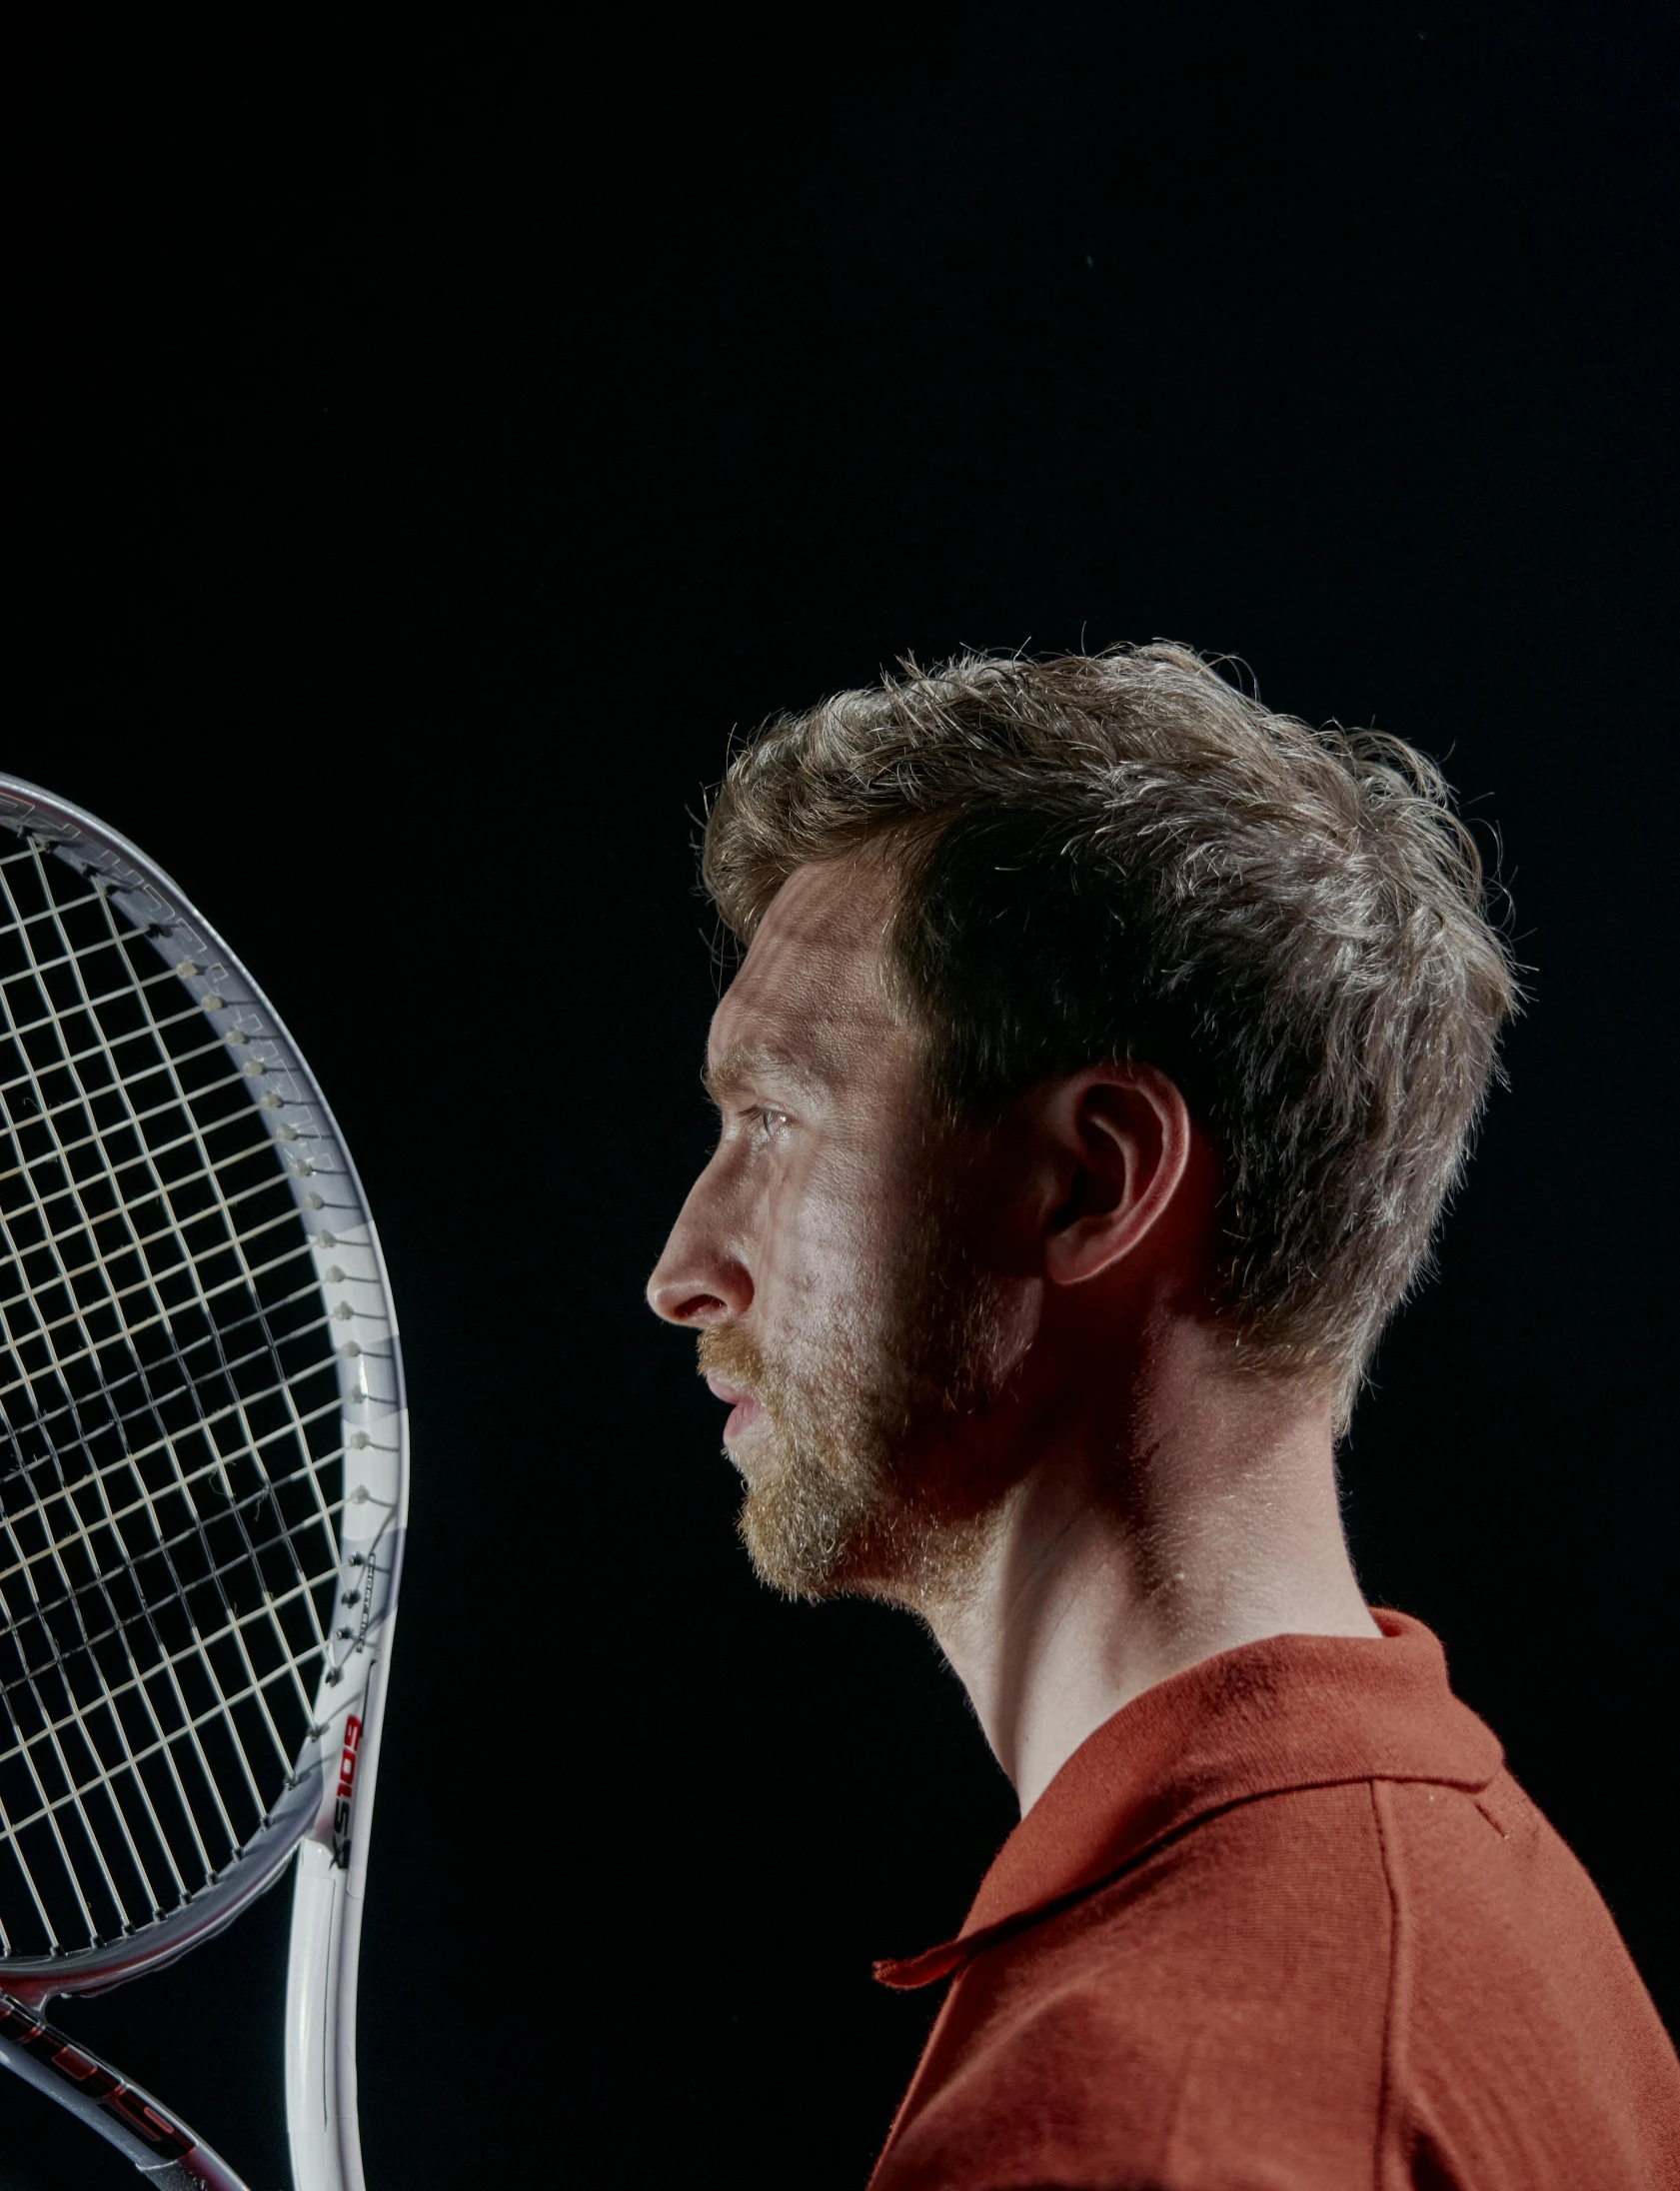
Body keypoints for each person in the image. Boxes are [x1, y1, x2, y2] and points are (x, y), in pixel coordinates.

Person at [646, 645, 1680, 2190]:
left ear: (1094, 1180)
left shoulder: (1127, 2116)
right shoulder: (1503, 1897)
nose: (681, 1272)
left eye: (777, 1119)